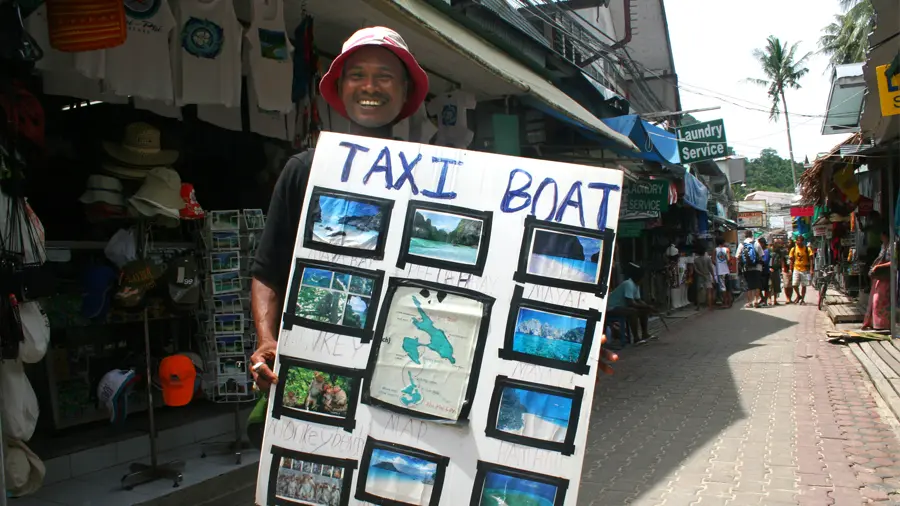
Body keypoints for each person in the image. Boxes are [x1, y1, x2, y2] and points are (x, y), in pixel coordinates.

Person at [247, 27, 619, 426]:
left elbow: (496, 279)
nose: (369, 85)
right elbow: (269, 268)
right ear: (340, 87)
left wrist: (571, 345)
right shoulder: (305, 171)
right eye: (357, 74)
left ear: (406, 93)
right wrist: (267, 339)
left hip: (415, 371)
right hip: (326, 360)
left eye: (385, 76)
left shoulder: (446, 179)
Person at [607, 263, 657, 345]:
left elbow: (639, 300)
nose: (644, 279)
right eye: (643, 277)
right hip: (612, 308)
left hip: (621, 307)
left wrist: (648, 307)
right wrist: (647, 306)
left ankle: (645, 334)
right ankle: (636, 338)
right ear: (639, 277)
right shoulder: (628, 284)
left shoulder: (636, 285)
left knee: (644, 310)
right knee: (632, 311)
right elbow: (630, 303)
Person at [862, 229, 892, 330]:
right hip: (879, 277)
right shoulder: (883, 246)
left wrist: (878, 267)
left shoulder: (892, 246)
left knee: (879, 300)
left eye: (882, 235)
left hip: (887, 276)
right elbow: (879, 259)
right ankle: (873, 323)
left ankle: (883, 324)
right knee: (873, 300)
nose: (881, 238)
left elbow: (893, 262)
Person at [736, 231, 764, 308]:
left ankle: (749, 302)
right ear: (752, 235)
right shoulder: (756, 243)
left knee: (748, 285)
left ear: (745, 236)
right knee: (757, 285)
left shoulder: (741, 244)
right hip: (757, 267)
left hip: (746, 268)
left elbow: (737, 257)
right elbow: (761, 255)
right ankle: (756, 301)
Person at [789, 235, 814, 305]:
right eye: (798, 241)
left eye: (800, 241)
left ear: (803, 241)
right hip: (796, 268)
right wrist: (790, 270)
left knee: (804, 285)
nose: (799, 242)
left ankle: (802, 299)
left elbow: (811, 259)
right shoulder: (793, 249)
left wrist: (811, 269)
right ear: (796, 241)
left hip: (805, 269)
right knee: (794, 284)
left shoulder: (807, 249)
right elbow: (791, 260)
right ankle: (798, 295)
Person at [693, 244, 716, 311]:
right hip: (707, 275)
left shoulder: (696, 260)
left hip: (700, 276)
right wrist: (713, 276)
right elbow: (710, 268)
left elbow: (696, 269)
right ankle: (710, 306)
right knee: (709, 291)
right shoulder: (708, 258)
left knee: (699, 292)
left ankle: (698, 306)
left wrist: (701, 274)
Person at [713, 237, 733, 308]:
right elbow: (728, 259)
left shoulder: (715, 250)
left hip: (720, 272)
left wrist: (718, 264)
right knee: (728, 287)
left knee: (723, 288)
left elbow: (713, 260)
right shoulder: (727, 249)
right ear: (723, 242)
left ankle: (725, 303)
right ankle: (730, 303)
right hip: (727, 271)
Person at [769, 239, 785, 305]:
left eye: (777, 243)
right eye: (775, 243)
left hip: (776, 270)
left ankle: (775, 300)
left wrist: (782, 268)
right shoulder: (769, 250)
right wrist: (769, 268)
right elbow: (766, 260)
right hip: (770, 270)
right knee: (770, 286)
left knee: (776, 286)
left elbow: (781, 260)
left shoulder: (779, 251)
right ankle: (769, 300)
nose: (777, 244)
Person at [758, 237, 770, 307]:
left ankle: (764, 300)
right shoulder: (761, 251)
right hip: (760, 271)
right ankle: (762, 299)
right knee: (759, 287)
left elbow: (765, 261)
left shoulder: (766, 251)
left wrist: (759, 260)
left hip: (765, 271)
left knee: (766, 287)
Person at [782, 238, 795, 303]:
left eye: (790, 242)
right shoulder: (784, 251)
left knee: (791, 285)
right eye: (788, 242)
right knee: (786, 285)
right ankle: (787, 298)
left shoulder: (794, 250)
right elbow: (782, 260)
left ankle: (790, 298)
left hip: (793, 269)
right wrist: (783, 268)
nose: (788, 243)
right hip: (785, 270)